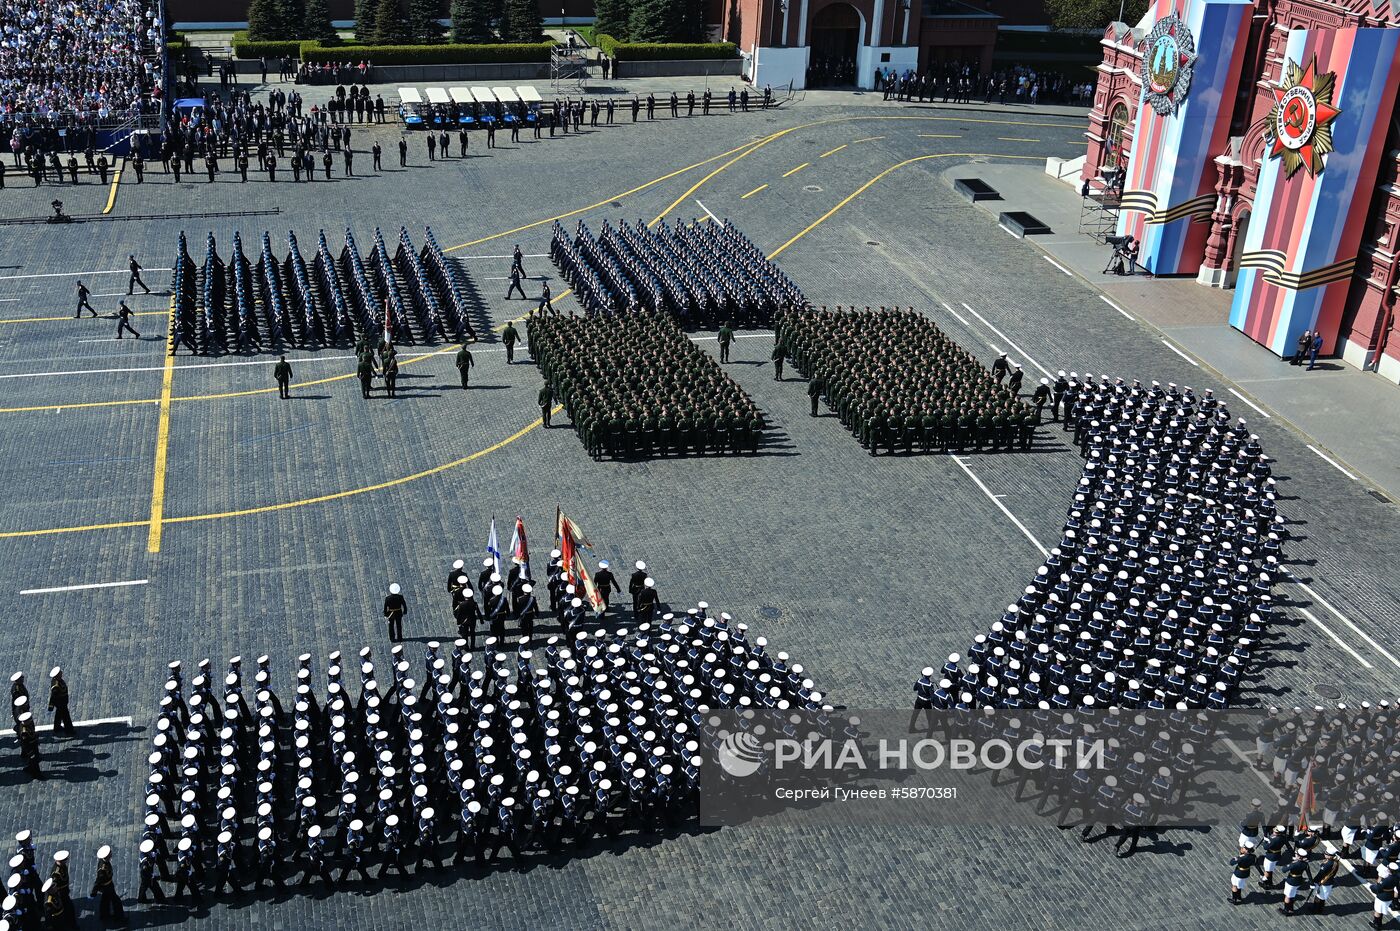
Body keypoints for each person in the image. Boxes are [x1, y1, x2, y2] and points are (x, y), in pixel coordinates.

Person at [91, 846, 123, 920]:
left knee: (105, 901)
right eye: (110, 853)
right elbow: (98, 881)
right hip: (107, 887)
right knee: (116, 901)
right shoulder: (102, 869)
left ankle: (104, 915)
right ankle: (119, 917)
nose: (111, 853)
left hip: (109, 884)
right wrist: (94, 892)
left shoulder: (105, 862)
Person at [48, 668, 74, 735]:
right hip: (61, 703)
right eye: (60, 672)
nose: (61, 672)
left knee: (58, 715)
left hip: (62, 702)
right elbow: (53, 696)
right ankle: (69, 731)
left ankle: (57, 727)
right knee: (66, 717)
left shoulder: (58, 680)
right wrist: (51, 705)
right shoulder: (56, 686)